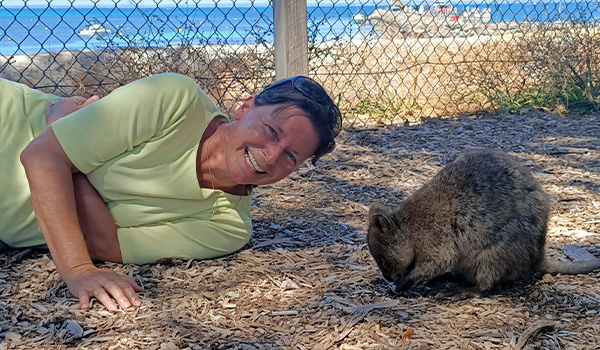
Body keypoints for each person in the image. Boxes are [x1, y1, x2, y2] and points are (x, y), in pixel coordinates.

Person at [1, 73, 341, 311]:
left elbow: (104, 243)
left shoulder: (229, 227)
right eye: (270, 130)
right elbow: (41, 157)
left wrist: (61, 143)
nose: (270, 156)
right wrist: (77, 270)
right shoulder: (176, 100)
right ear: (245, 107)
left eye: (291, 157)